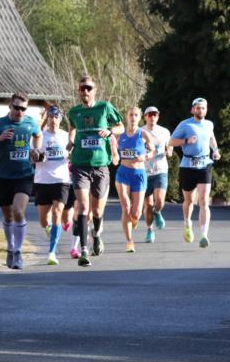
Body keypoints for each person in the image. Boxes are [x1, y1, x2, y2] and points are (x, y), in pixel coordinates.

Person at [0, 93, 41, 270]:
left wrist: (36, 150)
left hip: (25, 175)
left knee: (18, 211)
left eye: (23, 108)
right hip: (4, 177)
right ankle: (10, 247)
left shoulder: (30, 123)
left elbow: (38, 134)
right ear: (10, 106)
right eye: (17, 107)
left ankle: (18, 251)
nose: (20, 111)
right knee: (7, 215)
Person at [67, 75, 124, 267]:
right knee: (83, 208)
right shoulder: (74, 112)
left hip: (100, 165)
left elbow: (120, 126)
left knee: (98, 211)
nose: (85, 91)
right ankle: (84, 250)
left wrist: (110, 131)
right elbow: (73, 129)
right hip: (80, 165)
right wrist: (71, 140)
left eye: (89, 88)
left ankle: (96, 234)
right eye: (82, 88)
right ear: (78, 90)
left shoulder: (105, 107)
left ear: (95, 90)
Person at [170, 97, 221, 247]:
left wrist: (216, 151)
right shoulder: (185, 125)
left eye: (203, 108)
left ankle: (204, 235)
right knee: (189, 201)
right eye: (198, 108)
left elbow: (211, 138)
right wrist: (186, 141)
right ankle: (187, 222)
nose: (200, 110)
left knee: (204, 201)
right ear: (192, 110)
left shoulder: (209, 124)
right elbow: (171, 142)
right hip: (187, 165)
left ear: (206, 110)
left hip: (205, 164)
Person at [33, 103, 72, 265]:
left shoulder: (65, 136)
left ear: (60, 119)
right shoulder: (39, 135)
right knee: (43, 220)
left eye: (56, 117)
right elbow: (32, 156)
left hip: (61, 181)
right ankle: (49, 230)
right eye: (51, 116)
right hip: (42, 180)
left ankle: (52, 252)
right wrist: (37, 156)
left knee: (57, 213)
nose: (53, 120)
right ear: (47, 118)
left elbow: (71, 153)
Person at [114, 107, 155, 252]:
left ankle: (134, 220)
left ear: (139, 118)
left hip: (139, 174)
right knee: (125, 206)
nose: (133, 117)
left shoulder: (143, 134)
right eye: (131, 114)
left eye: (136, 115)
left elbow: (152, 151)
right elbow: (112, 148)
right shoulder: (120, 136)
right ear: (126, 116)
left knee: (136, 212)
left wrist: (145, 156)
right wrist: (114, 155)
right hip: (123, 173)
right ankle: (129, 241)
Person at [141, 106, 173, 243]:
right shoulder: (140, 131)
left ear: (158, 116)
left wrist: (169, 151)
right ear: (145, 117)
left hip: (160, 170)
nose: (152, 117)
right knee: (148, 204)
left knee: (159, 201)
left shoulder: (164, 131)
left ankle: (158, 212)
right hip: (144, 171)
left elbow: (170, 145)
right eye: (149, 115)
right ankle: (150, 230)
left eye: (155, 114)